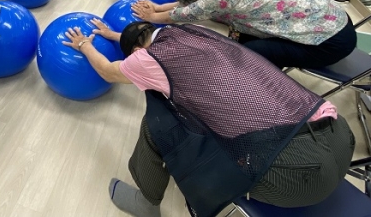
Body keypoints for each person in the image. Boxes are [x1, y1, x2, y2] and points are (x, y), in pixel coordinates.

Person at [62, 19, 354, 217]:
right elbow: (145, 43)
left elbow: (108, 71)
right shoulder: (191, 31)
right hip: (339, 136)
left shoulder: (146, 59)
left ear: (137, 52)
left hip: (300, 178)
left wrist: (84, 45)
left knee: (158, 123)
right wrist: (116, 35)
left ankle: (147, 203)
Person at [132, 0, 356, 69]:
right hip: (337, 18)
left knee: (249, 54)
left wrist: (152, 15)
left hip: (330, 42)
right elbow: (193, 5)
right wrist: (160, 5)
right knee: (239, 36)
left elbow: (180, 15)